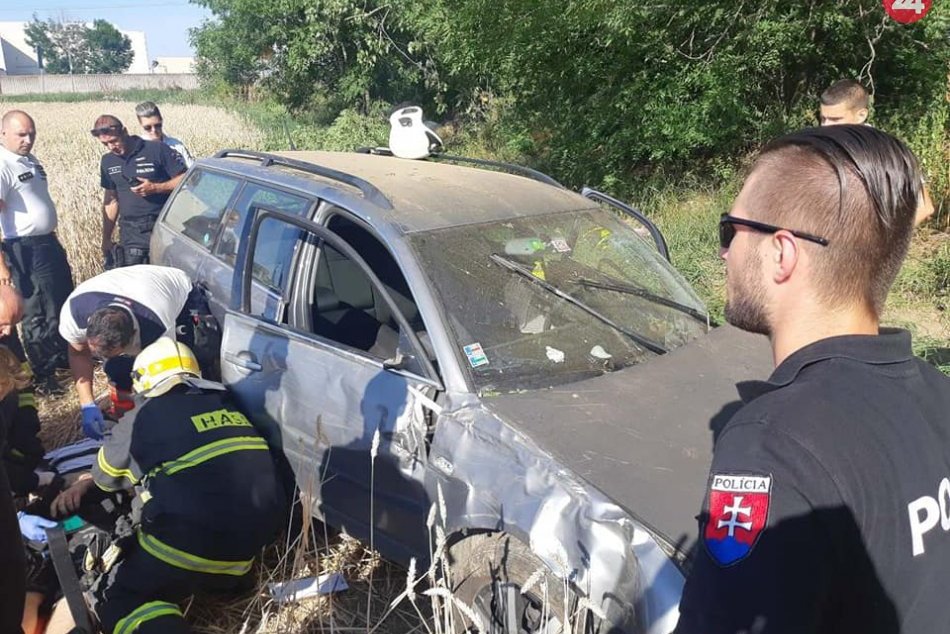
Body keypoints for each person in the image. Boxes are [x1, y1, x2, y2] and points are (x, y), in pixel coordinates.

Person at [674, 125, 950, 633]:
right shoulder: (938, 392)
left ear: (782, 254)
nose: (724, 253)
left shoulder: (773, 446)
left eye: (730, 230)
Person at [49, 337, 285, 634]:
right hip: (246, 555)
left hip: (190, 545)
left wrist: (85, 482)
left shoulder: (144, 415)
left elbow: (106, 476)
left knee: (117, 597)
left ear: (143, 381)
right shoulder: (227, 405)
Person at [58, 265, 195, 440]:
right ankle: (126, 421)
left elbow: (169, 379)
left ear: (131, 338)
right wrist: (87, 404)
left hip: (173, 288)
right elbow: (78, 354)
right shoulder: (75, 313)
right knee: (117, 370)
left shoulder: (156, 326)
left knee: (184, 376)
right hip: (114, 287)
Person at [0, 110, 74, 395]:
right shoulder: (3, 164)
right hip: (24, 249)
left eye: (32, 134)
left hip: (47, 243)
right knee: (38, 311)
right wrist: (2, 265)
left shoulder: (30, 160)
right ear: (4, 134)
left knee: (58, 301)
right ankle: (45, 375)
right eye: (21, 134)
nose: (28, 140)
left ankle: (62, 359)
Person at [819, 79, 935, 225]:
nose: (826, 126)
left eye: (835, 119)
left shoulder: (888, 152)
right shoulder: (823, 146)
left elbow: (924, 207)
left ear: (861, 115)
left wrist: (889, 238)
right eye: (823, 119)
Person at [91, 115, 187, 268]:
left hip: (163, 227)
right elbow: (111, 200)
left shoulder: (157, 149)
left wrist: (156, 188)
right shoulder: (108, 161)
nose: (111, 147)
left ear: (124, 132)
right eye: (105, 144)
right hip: (131, 233)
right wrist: (106, 238)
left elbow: (186, 179)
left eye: (114, 141)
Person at [134, 101, 195, 169]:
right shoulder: (136, 150)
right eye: (148, 127)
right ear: (141, 125)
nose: (154, 130)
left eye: (158, 125)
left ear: (162, 121)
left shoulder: (177, 146)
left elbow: (192, 170)